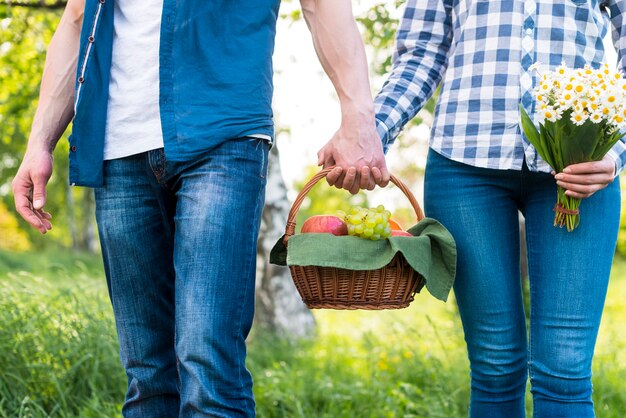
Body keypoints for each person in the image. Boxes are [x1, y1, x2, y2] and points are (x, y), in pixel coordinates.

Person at [11, 0, 388, 416]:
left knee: (207, 360)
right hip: (116, 147)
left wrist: (359, 116)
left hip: (222, 131)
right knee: (147, 374)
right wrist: (39, 143)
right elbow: (78, 17)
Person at [374, 1, 625, 417]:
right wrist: (372, 133)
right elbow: (422, 53)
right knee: (494, 365)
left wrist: (615, 152)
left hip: (581, 165)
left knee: (564, 370)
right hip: (464, 160)